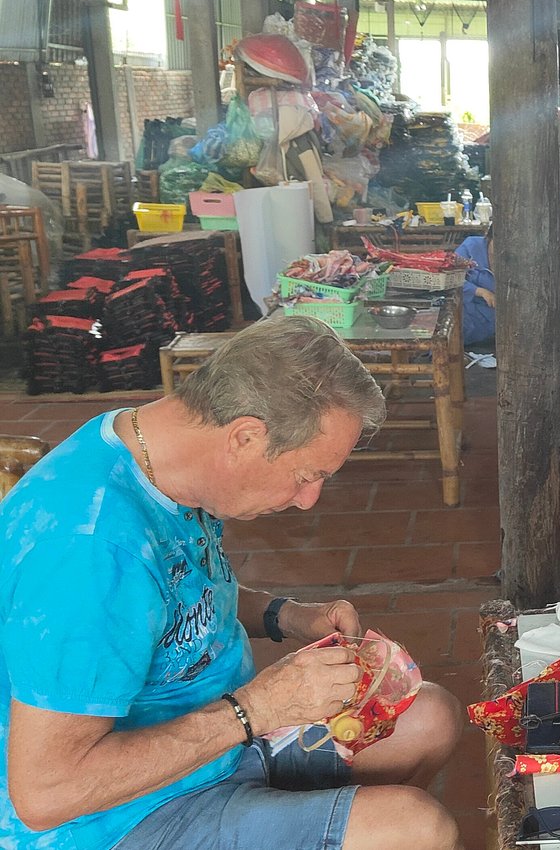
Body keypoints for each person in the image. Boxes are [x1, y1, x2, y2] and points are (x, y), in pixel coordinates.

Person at [1, 316, 464, 850]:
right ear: (245, 436)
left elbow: (168, 595)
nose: (308, 499)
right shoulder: (88, 550)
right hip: (118, 818)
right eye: (306, 474)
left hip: (217, 743)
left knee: (429, 716)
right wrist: (257, 709)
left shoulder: (158, 453)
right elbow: (46, 794)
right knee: (416, 830)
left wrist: (287, 615)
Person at [454, 221, 495, 346]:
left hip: (494, 319)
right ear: (488, 237)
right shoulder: (470, 247)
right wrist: (480, 291)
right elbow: (451, 277)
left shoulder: (520, 258)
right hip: (465, 309)